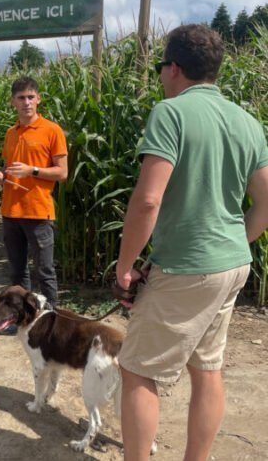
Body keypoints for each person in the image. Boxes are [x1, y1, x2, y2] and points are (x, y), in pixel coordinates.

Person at [114, 24, 268, 461]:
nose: (162, 76)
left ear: (175, 68)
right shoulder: (246, 120)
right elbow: (266, 200)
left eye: (162, 67)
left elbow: (147, 201)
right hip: (233, 264)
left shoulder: (171, 113)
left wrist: (125, 267)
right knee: (207, 367)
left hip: (186, 269)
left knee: (138, 371)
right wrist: (237, 241)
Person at [0, 76, 68, 325]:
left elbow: (62, 172)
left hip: (38, 213)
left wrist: (32, 170)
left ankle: (50, 322)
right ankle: (22, 321)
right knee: (17, 272)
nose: (27, 102)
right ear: (12, 101)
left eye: (31, 97)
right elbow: (8, 165)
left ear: (39, 99)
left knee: (44, 271)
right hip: (11, 211)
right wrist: (1, 175)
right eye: (21, 98)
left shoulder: (52, 130)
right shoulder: (10, 133)